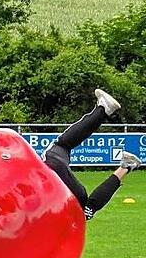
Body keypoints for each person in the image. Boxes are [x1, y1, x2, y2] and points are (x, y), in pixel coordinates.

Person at [42, 89, 141, 221]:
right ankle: (103, 109)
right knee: (62, 145)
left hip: (52, 181)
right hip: (52, 172)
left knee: (85, 211)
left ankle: (126, 165)